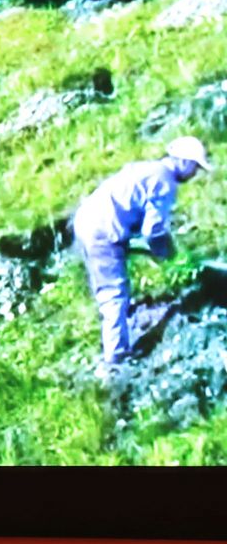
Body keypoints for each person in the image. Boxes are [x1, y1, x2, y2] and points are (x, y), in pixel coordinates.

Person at [71, 137, 211, 375]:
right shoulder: (165, 183)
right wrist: (168, 253)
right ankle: (116, 360)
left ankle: (115, 339)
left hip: (87, 220)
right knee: (114, 294)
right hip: (103, 232)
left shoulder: (147, 169)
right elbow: (153, 231)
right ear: (184, 162)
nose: (194, 173)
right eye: (195, 167)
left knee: (109, 286)